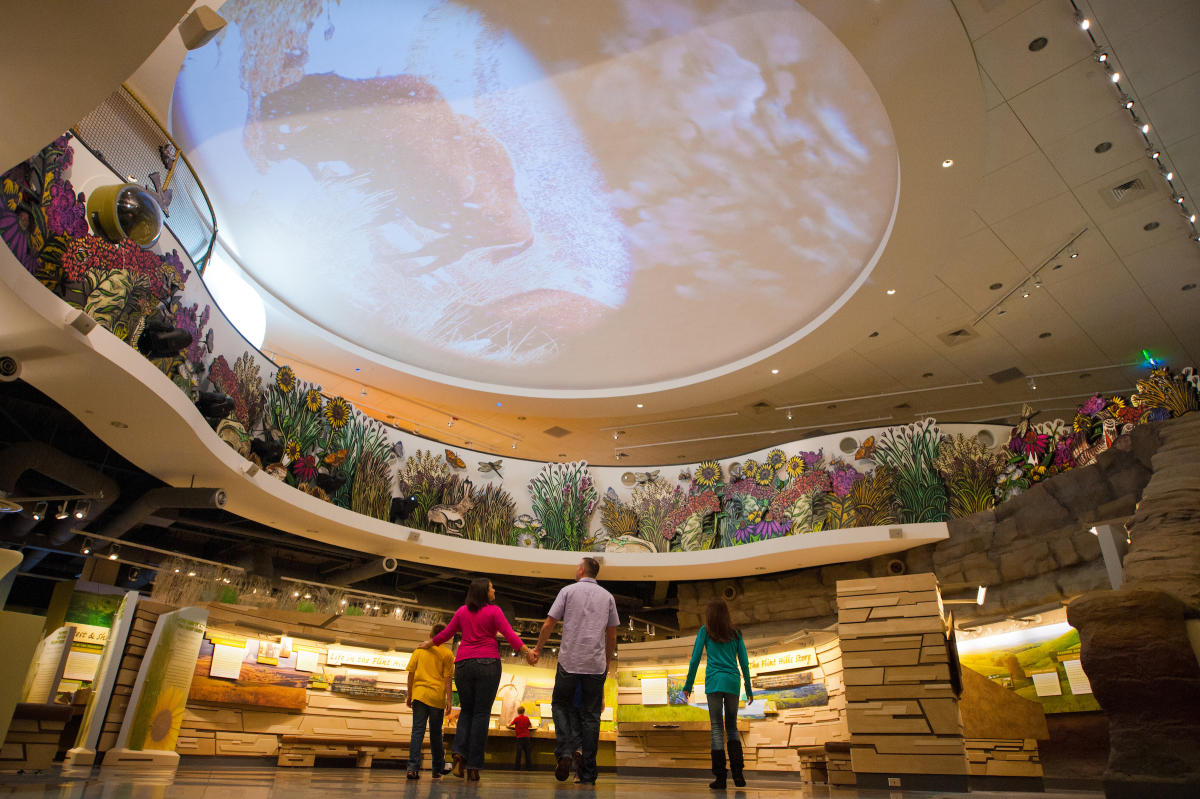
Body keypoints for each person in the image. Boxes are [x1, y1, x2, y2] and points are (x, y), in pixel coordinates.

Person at [422, 577, 536, 781]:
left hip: (463, 664)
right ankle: (474, 765)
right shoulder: (494, 611)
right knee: (481, 714)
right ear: (484, 592)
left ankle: (459, 753)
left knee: (466, 711)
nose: (494, 591)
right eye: (491, 588)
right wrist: (527, 652)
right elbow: (509, 634)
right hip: (487, 664)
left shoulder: (461, 611)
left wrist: (429, 643)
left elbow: (447, 634)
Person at [533, 557, 619, 785]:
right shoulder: (608, 597)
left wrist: (538, 649)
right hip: (595, 665)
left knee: (560, 705)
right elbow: (611, 635)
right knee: (591, 717)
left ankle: (564, 752)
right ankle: (588, 772)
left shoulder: (567, 591)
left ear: (581, 570)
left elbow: (549, 623)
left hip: (569, 662)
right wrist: (606, 662)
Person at [682, 599, 753, 789]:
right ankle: (738, 775)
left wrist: (688, 685)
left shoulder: (705, 631)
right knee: (732, 728)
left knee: (716, 728)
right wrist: (748, 688)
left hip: (714, 682)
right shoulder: (735, 633)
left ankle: (720, 778)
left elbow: (695, 659)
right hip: (732, 682)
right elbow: (744, 661)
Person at [405, 622, 454, 779]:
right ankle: (437, 768)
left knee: (417, 732)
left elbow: (411, 674)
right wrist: (449, 701)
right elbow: (448, 679)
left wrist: (410, 694)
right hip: (436, 697)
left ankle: (412, 768)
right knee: (436, 734)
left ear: (430, 635)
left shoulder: (419, 650)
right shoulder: (447, 654)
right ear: (445, 637)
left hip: (419, 695)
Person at [508, 704, 533, 770]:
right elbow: (530, 726)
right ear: (524, 711)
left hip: (519, 738)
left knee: (518, 753)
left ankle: (517, 768)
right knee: (527, 753)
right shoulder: (526, 718)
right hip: (527, 738)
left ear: (518, 711)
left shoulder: (517, 718)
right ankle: (529, 768)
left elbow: (510, 725)